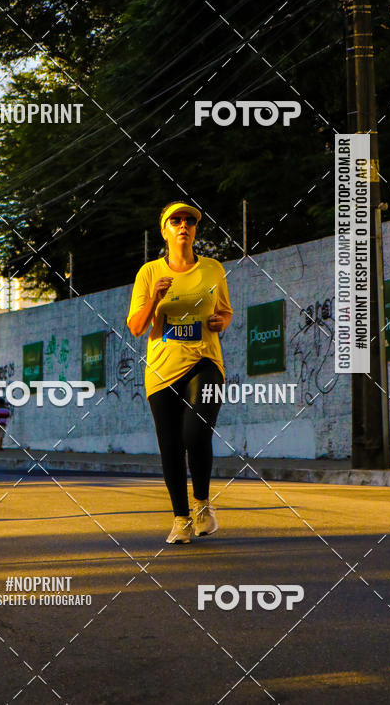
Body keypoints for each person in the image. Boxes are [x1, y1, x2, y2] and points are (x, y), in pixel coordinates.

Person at [127, 202, 233, 544]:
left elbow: (225, 312)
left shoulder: (214, 270)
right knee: (170, 446)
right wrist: (154, 298)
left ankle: (202, 505)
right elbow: (136, 328)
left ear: (195, 230)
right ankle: (181, 519)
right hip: (161, 371)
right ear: (165, 230)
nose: (184, 225)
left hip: (206, 362)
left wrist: (223, 321)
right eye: (176, 220)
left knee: (196, 434)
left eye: (190, 220)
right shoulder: (149, 273)